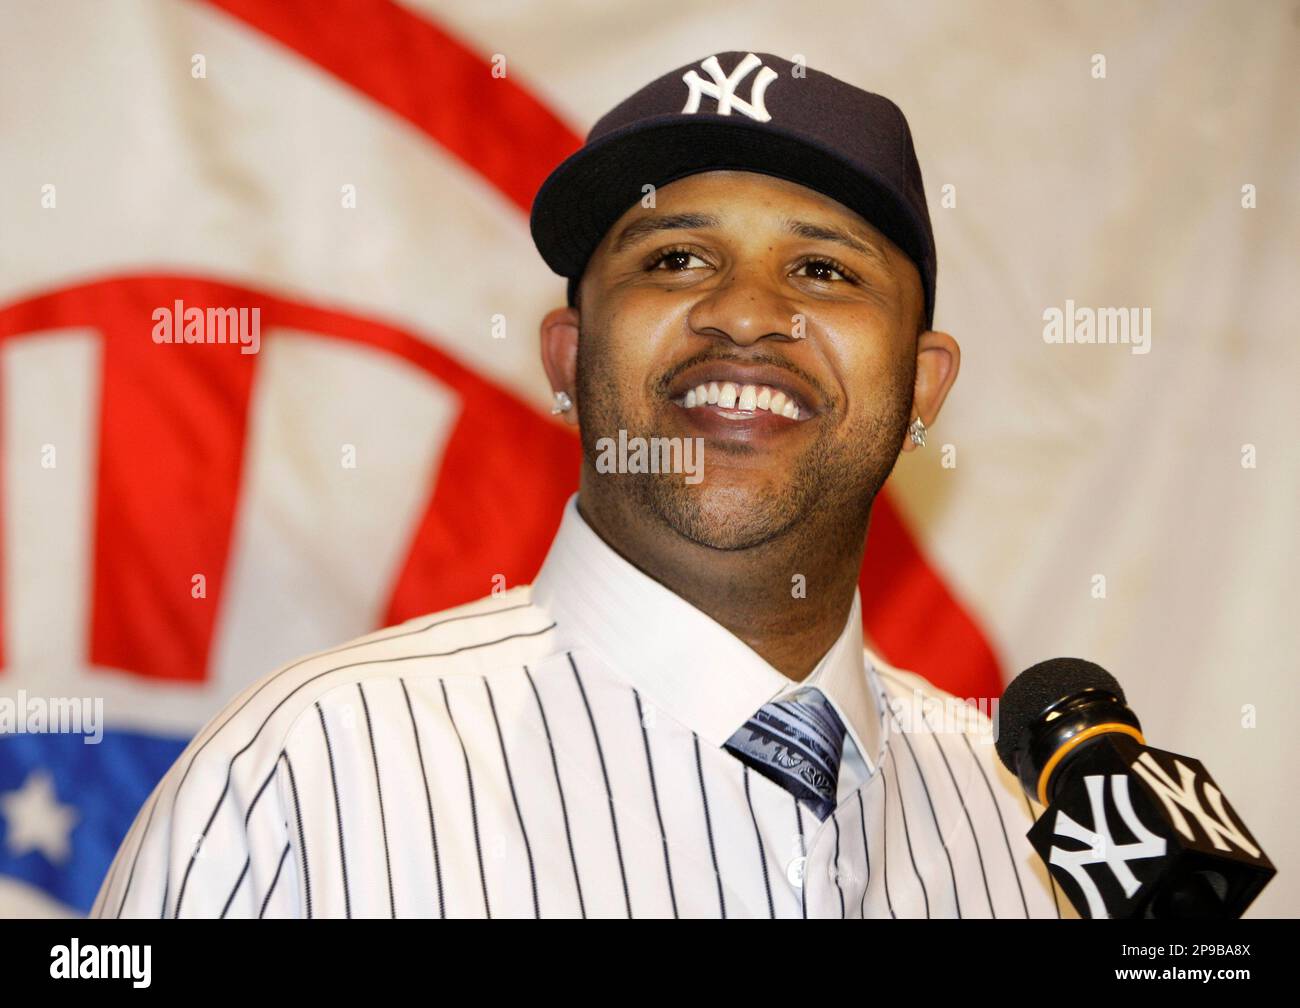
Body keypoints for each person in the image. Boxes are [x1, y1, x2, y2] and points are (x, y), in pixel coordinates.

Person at [93, 50, 1072, 919]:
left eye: (822, 269)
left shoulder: (1038, 831)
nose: (743, 313)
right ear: (566, 361)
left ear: (920, 388)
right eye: (675, 258)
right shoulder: (305, 777)